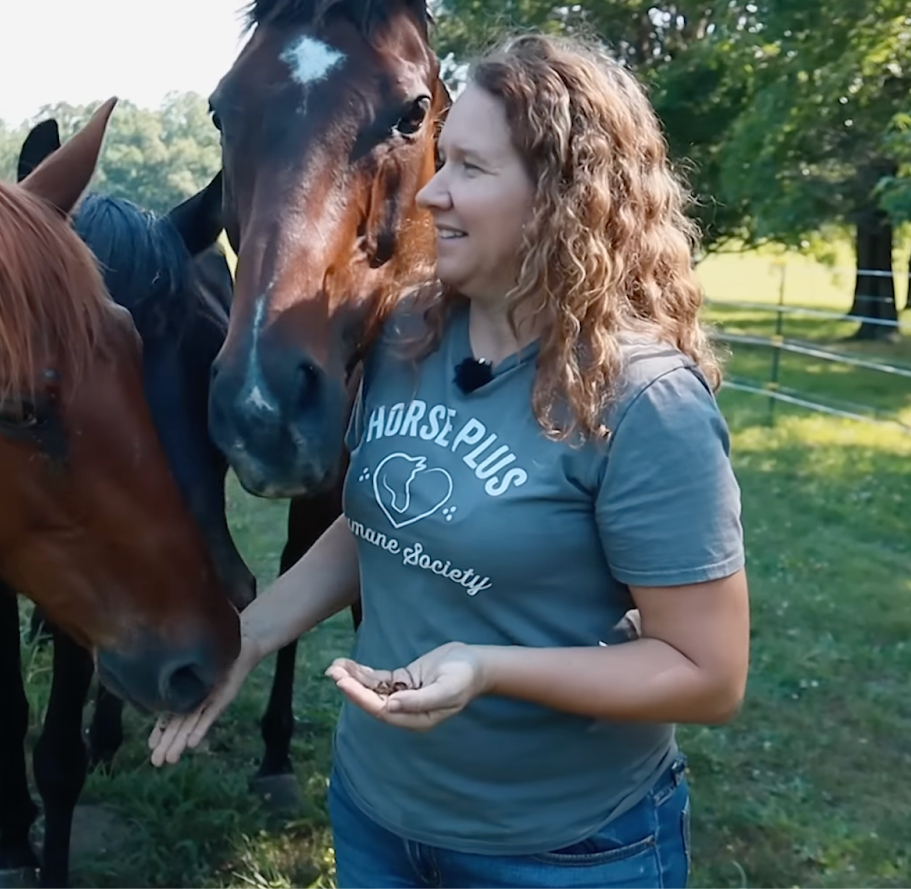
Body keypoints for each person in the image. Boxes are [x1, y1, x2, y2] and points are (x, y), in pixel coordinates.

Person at [149, 30, 749, 888]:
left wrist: (490, 668)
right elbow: (379, 522)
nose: (429, 191)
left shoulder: (644, 402)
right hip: (373, 818)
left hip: (562, 851)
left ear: (563, 195)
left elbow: (708, 675)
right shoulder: (406, 334)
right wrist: (249, 635)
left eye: (469, 167)